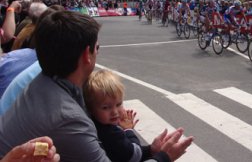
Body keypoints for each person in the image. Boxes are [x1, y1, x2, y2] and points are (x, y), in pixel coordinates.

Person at [0, 10, 193, 161]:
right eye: (97, 48)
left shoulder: (45, 81)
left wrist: (151, 150)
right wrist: (164, 157)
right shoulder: (68, 118)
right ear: (87, 54)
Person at [83, 69, 192, 162]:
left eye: (118, 104)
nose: (115, 112)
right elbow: (134, 155)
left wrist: (151, 149)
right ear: (91, 109)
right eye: (106, 107)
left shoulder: (95, 124)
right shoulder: (110, 133)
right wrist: (128, 131)